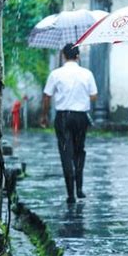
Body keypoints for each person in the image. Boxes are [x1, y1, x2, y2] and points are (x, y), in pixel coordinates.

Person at [40, 44, 98, 204]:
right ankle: (79, 188)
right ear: (78, 56)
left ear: (63, 56)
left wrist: (44, 116)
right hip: (81, 118)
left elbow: (47, 96)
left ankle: (70, 194)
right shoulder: (86, 74)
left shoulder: (56, 74)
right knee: (79, 151)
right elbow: (94, 96)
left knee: (66, 153)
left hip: (63, 117)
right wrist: (81, 97)